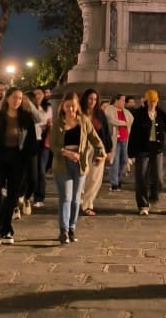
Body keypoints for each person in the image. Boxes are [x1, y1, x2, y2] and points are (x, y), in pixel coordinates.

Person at [0, 87, 37, 245]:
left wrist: (28, 158)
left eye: (20, 98)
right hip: (0, 157)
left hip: (18, 159)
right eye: (14, 97)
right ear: (8, 98)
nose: (17, 101)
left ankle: (7, 229)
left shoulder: (26, 118)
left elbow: (31, 140)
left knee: (12, 196)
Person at [50, 92, 106, 244]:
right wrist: (66, 153)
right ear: (63, 106)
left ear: (77, 107)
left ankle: (72, 227)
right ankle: (63, 230)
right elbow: (53, 145)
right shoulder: (58, 123)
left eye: (73, 106)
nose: (70, 109)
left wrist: (101, 153)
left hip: (80, 164)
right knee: (65, 197)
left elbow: (96, 139)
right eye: (67, 106)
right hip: (62, 164)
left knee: (76, 199)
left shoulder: (84, 121)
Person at [128, 89, 166, 215]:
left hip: (157, 150)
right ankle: (143, 205)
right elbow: (134, 134)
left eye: (154, 101)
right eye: (150, 101)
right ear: (146, 101)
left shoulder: (160, 113)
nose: (152, 104)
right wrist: (131, 153)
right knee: (141, 177)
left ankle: (153, 195)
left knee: (158, 177)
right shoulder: (140, 114)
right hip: (142, 150)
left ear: (157, 101)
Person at [80, 89, 113, 216]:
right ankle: (78, 201)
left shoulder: (99, 114)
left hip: (97, 148)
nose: (92, 102)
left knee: (94, 178)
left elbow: (106, 133)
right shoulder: (79, 112)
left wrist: (108, 150)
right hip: (81, 148)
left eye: (95, 99)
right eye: (90, 98)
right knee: (81, 176)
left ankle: (88, 204)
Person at [104, 94, 133, 191]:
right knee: (115, 161)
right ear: (116, 100)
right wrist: (124, 123)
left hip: (125, 139)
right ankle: (114, 183)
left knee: (124, 161)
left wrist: (127, 125)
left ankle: (119, 179)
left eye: (124, 100)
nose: (124, 102)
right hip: (115, 139)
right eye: (122, 100)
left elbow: (132, 121)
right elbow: (112, 120)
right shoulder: (109, 109)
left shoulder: (126, 112)